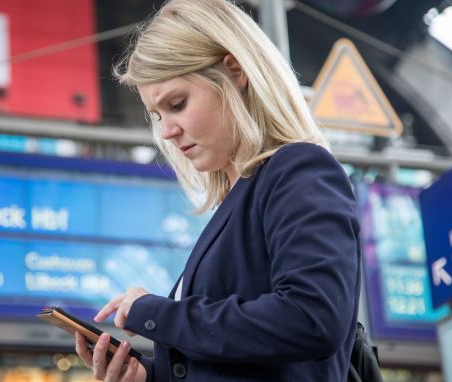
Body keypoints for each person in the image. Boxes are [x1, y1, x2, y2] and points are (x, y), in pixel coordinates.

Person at [74, 0, 361, 380]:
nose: (166, 131)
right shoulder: (239, 200)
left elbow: (311, 317)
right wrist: (148, 376)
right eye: (158, 115)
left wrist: (156, 313)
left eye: (177, 104)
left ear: (235, 70)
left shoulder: (298, 169)